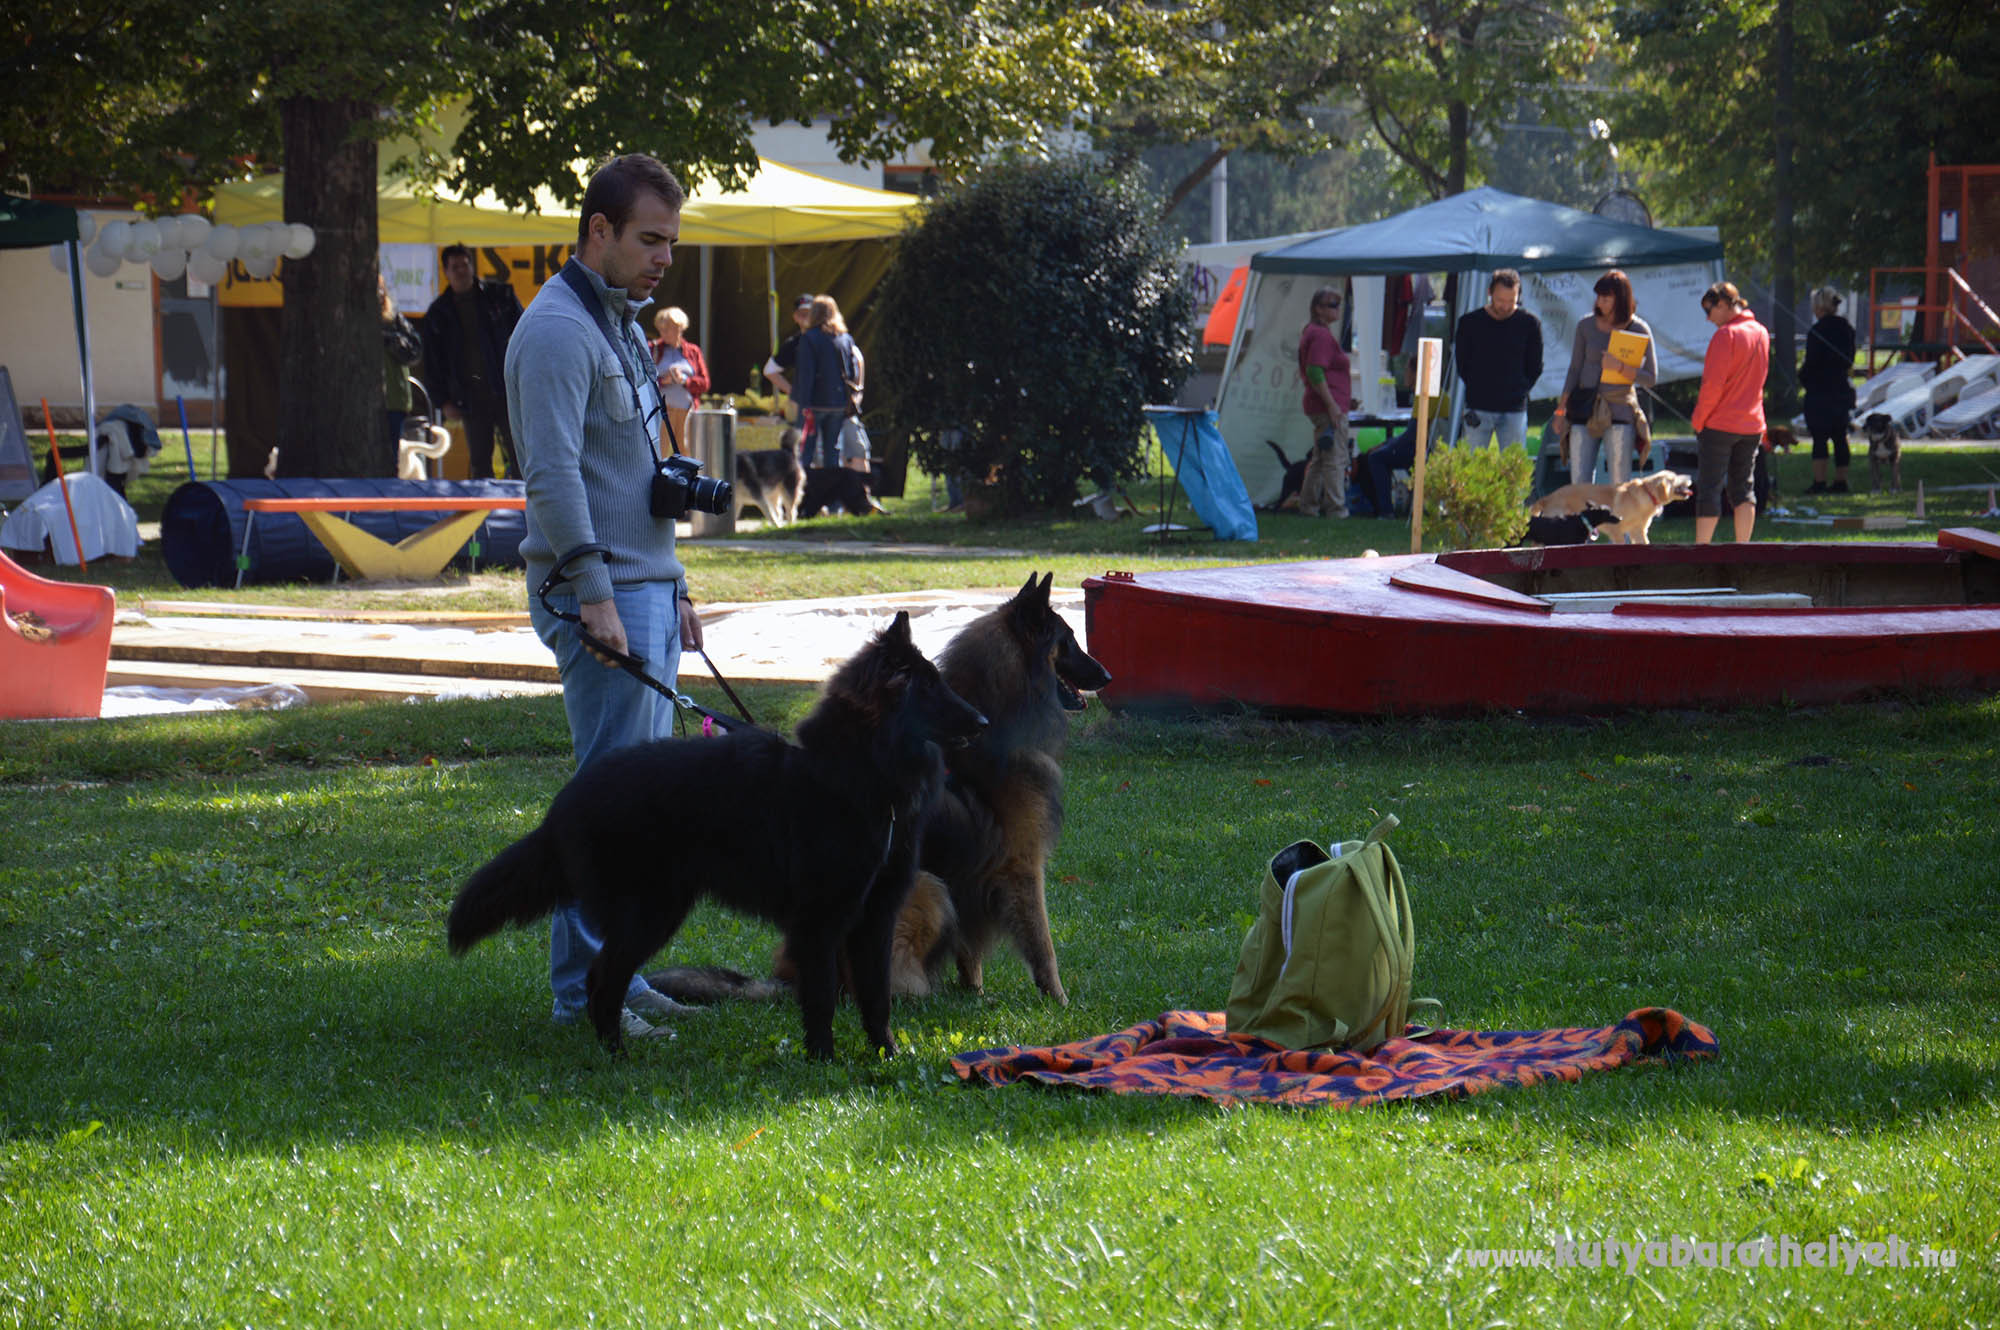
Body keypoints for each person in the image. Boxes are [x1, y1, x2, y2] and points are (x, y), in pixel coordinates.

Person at [503, 153, 706, 1042]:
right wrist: (595, 596)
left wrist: (678, 581)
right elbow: (551, 476)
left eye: (672, 241)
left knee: (643, 803)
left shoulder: (617, 322)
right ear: (599, 231)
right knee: (612, 802)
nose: (665, 259)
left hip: (644, 584)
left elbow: (637, 467)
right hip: (603, 594)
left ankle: (616, 974)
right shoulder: (556, 333)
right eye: (649, 240)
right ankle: (586, 991)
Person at [422, 242, 525, 480]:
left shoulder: (500, 297)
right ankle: (485, 515)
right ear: (446, 272)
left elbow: (525, 334)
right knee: (479, 462)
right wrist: (442, 401)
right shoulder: (438, 313)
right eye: (455, 266)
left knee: (520, 453)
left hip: (506, 389)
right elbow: (433, 363)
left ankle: (525, 509)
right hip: (469, 398)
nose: (461, 270)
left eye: (465, 264)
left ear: (472, 266)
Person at [1551, 270, 1658, 486]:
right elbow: (1574, 370)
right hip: (1584, 408)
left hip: (1619, 409)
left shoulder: (1638, 328)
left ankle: (1616, 519)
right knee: (1579, 482)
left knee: (1619, 483)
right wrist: (1561, 411)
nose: (1600, 303)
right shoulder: (1585, 325)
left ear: (1620, 300)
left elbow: (1651, 378)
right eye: (1598, 297)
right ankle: (1581, 519)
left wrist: (1620, 367)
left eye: (1606, 298)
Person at [1690, 280, 1771, 545]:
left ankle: (1702, 551)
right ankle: (1743, 549)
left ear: (1723, 304)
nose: (1707, 318)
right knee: (1744, 489)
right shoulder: (1761, 332)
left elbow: (1712, 385)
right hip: (1752, 424)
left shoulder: (1726, 335)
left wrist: (1699, 419)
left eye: (1708, 310)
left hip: (1720, 425)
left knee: (1710, 488)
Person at [1453, 268, 1543, 449]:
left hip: (1514, 408)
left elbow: (1535, 365)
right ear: (1490, 293)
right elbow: (1462, 363)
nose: (1505, 306)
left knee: (1513, 471)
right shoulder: (1470, 323)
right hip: (1478, 406)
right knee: (1472, 467)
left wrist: (1520, 389)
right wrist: (1476, 386)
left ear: (1518, 296)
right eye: (1500, 300)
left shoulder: (1529, 324)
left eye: (1511, 300)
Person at [1297, 284, 1353, 518]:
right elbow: (1315, 372)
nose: (1338, 309)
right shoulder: (1320, 335)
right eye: (1333, 305)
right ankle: (1336, 508)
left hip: (1322, 404)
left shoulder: (1313, 332)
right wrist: (1332, 405)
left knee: (1321, 458)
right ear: (1318, 309)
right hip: (1327, 407)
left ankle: (1308, 505)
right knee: (1334, 458)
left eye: (1339, 304)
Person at [792, 294, 863, 471]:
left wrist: (804, 405)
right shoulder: (845, 338)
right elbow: (853, 372)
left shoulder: (809, 338)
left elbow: (806, 374)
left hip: (815, 403)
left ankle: (806, 495)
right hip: (838, 404)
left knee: (806, 453)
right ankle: (833, 496)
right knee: (833, 453)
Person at [1799, 285, 1857, 494]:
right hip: (1841, 389)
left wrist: (1802, 377)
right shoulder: (1847, 329)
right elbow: (1849, 359)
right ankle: (1841, 481)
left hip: (1819, 393)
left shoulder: (1817, 331)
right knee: (1840, 437)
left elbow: (1812, 362)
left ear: (1819, 306)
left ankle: (1819, 481)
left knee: (1820, 438)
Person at [648, 305, 710, 454]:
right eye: (661, 328)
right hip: (661, 412)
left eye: (668, 328)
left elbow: (705, 383)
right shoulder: (653, 348)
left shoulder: (693, 351)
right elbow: (645, 380)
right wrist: (664, 381)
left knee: (687, 454)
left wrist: (684, 380)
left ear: (680, 328)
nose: (664, 332)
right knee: (659, 454)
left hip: (687, 411)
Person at [379, 272, 423, 471]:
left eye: (379, 290)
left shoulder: (394, 320)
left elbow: (415, 352)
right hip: (360, 402)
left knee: (390, 461)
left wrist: (391, 339)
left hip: (393, 402)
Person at [762, 293, 815, 400]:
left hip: (835, 405)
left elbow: (856, 358)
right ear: (794, 317)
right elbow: (769, 371)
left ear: (817, 314)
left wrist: (857, 393)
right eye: (802, 313)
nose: (805, 316)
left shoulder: (832, 337)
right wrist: (794, 393)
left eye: (809, 312)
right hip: (810, 407)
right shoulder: (794, 343)